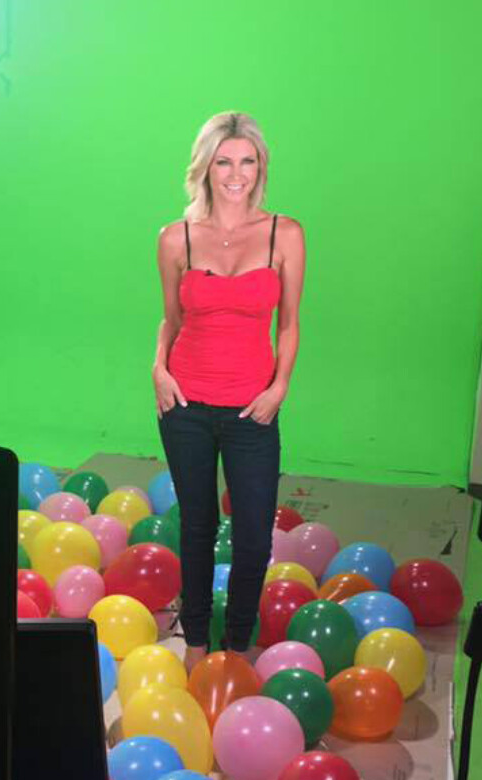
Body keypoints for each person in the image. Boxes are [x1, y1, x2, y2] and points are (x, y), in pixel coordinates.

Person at [152, 111, 306, 673]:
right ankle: (195, 642)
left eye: (247, 161)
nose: (236, 174)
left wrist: (279, 387)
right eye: (224, 162)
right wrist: (158, 369)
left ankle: (237, 645)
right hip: (185, 406)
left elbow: (289, 325)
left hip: (252, 410)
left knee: (253, 538)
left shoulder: (285, 234)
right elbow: (171, 320)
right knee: (196, 528)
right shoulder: (175, 238)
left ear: (260, 167)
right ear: (205, 167)